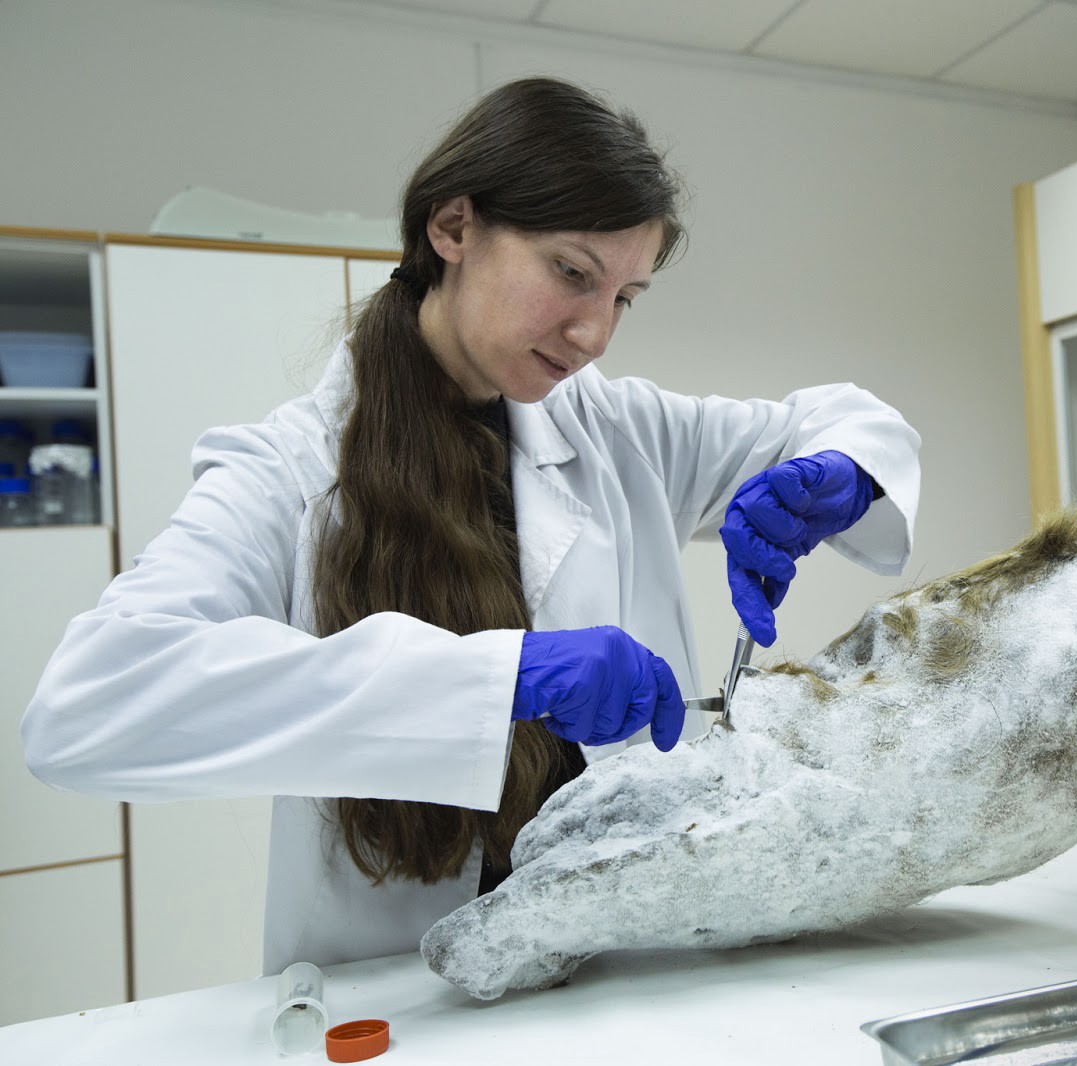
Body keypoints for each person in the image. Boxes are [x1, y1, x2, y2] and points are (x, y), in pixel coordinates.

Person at [21, 77, 919, 973]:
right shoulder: (288, 471)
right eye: (572, 274)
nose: (596, 332)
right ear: (452, 230)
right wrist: (495, 680)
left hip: (633, 972)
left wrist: (839, 476)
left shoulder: (620, 432)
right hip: (405, 995)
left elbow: (841, 419)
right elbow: (87, 707)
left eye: (625, 297)